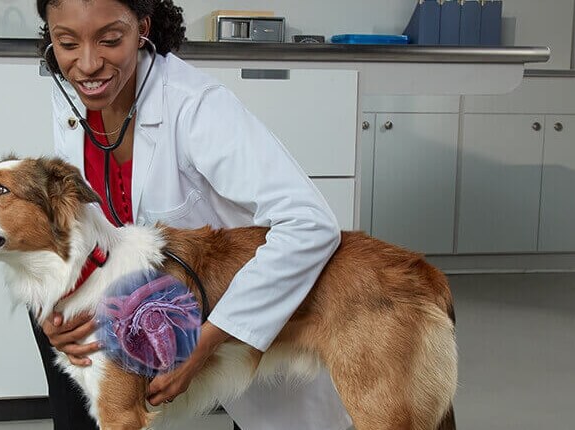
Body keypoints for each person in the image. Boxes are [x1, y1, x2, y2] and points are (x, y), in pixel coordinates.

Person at [30, 0, 351, 428]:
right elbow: (85, 231)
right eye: (66, 42)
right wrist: (55, 313)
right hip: (151, 302)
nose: (87, 64)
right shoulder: (71, 98)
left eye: (110, 40)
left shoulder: (196, 106)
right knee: (50, 329)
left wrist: (208, 341)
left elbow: (311, 222)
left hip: (249, 309)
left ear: (142, 28)